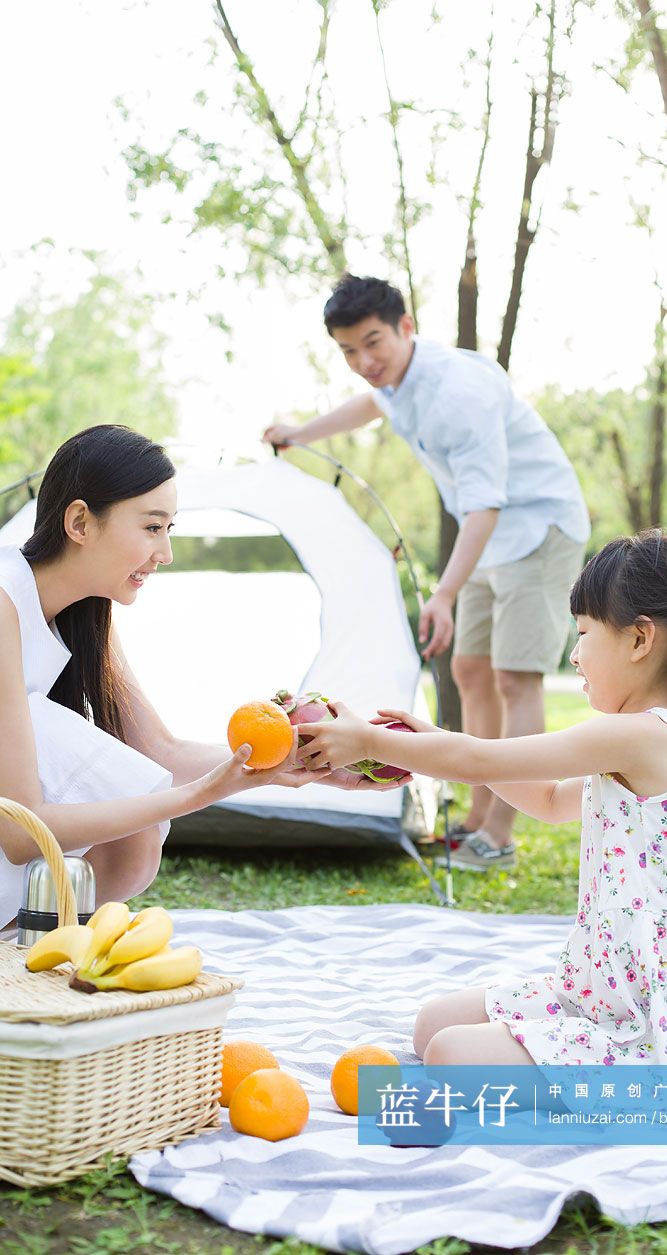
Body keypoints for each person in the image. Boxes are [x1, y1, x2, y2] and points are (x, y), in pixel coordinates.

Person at [297, 530, 667, 1066]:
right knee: (433, 1025)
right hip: (603, 994)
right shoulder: (629, 743)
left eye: (584, 633)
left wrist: (372, 741)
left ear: (639, 640)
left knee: (450, 1053)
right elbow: (544, 798)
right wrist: (425, 744)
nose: (575, 653)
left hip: (662, 1029)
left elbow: (480, 761)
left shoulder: (642, 735)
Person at [0, 424, 403, 941]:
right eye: (152, 527)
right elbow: (18, 830)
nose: (166, 553)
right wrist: (201, 793)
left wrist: (291, 760)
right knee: (57, 736)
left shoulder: (83, 610)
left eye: (169, 529)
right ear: (78, 522)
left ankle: (1, 953)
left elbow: (160, 750)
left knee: (131, 847)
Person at [263, 274, 590, 873]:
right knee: (468, 669)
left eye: (373, 343)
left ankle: (501, 833)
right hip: (488, 538)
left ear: (407, 327)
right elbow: (372, 403)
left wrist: (442, 594)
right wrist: (301, 434)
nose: (364, 362)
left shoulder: (458, 393)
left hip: (537, 529)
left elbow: (485, 504)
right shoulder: (394, 380)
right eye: (348, 351)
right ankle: (473, 813)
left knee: (516, 678)